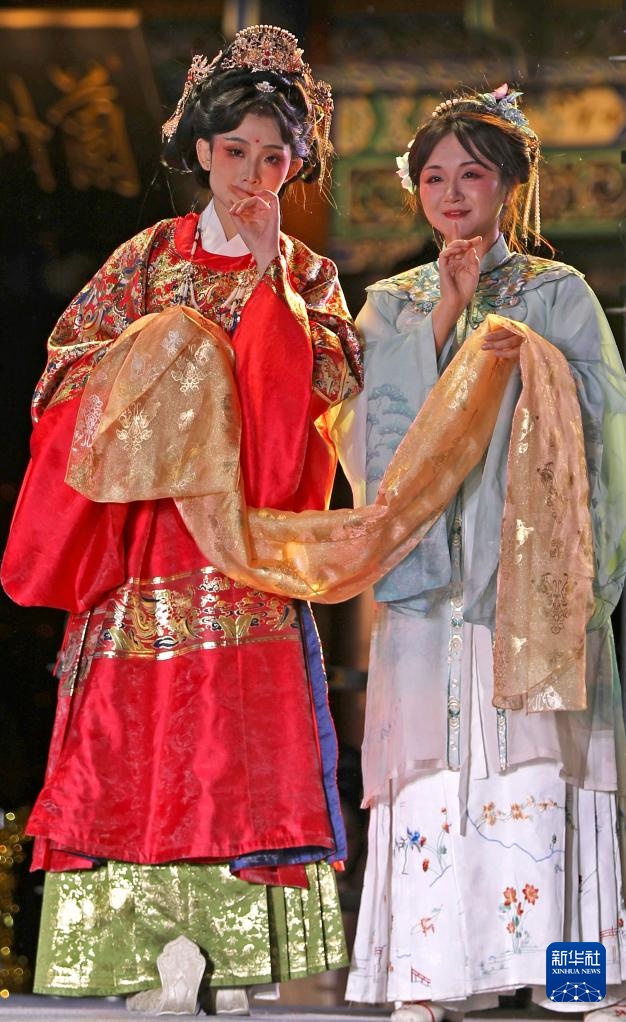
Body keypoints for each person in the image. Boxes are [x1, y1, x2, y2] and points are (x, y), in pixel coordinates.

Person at [1, 25, 363, 1014]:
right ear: (202, 149)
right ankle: (150, 957)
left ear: (294, 167)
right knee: (136, 738)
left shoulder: (309, 276)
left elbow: (315, 415)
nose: (251, 174)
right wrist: (163, 356)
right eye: (234, 150)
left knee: (233, 746)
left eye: (273, 158)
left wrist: (271, 287)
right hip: (144, 541)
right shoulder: (146, 259)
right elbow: (64, 379)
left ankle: (231, 956)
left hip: (241, 546)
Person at [336, 85, 626, 1020]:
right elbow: (372, 438)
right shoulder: (390, 306)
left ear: (508, 187)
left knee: (549, 775)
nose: (452, 193)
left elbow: (604, 424)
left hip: (528, 581)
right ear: (415, 189)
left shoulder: (557, 294)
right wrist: (447, 321)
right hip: (432, 591)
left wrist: (527, 356)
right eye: (434, 177)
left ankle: (573, 980)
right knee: (432, 786)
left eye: (472, 174)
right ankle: (435, 983)